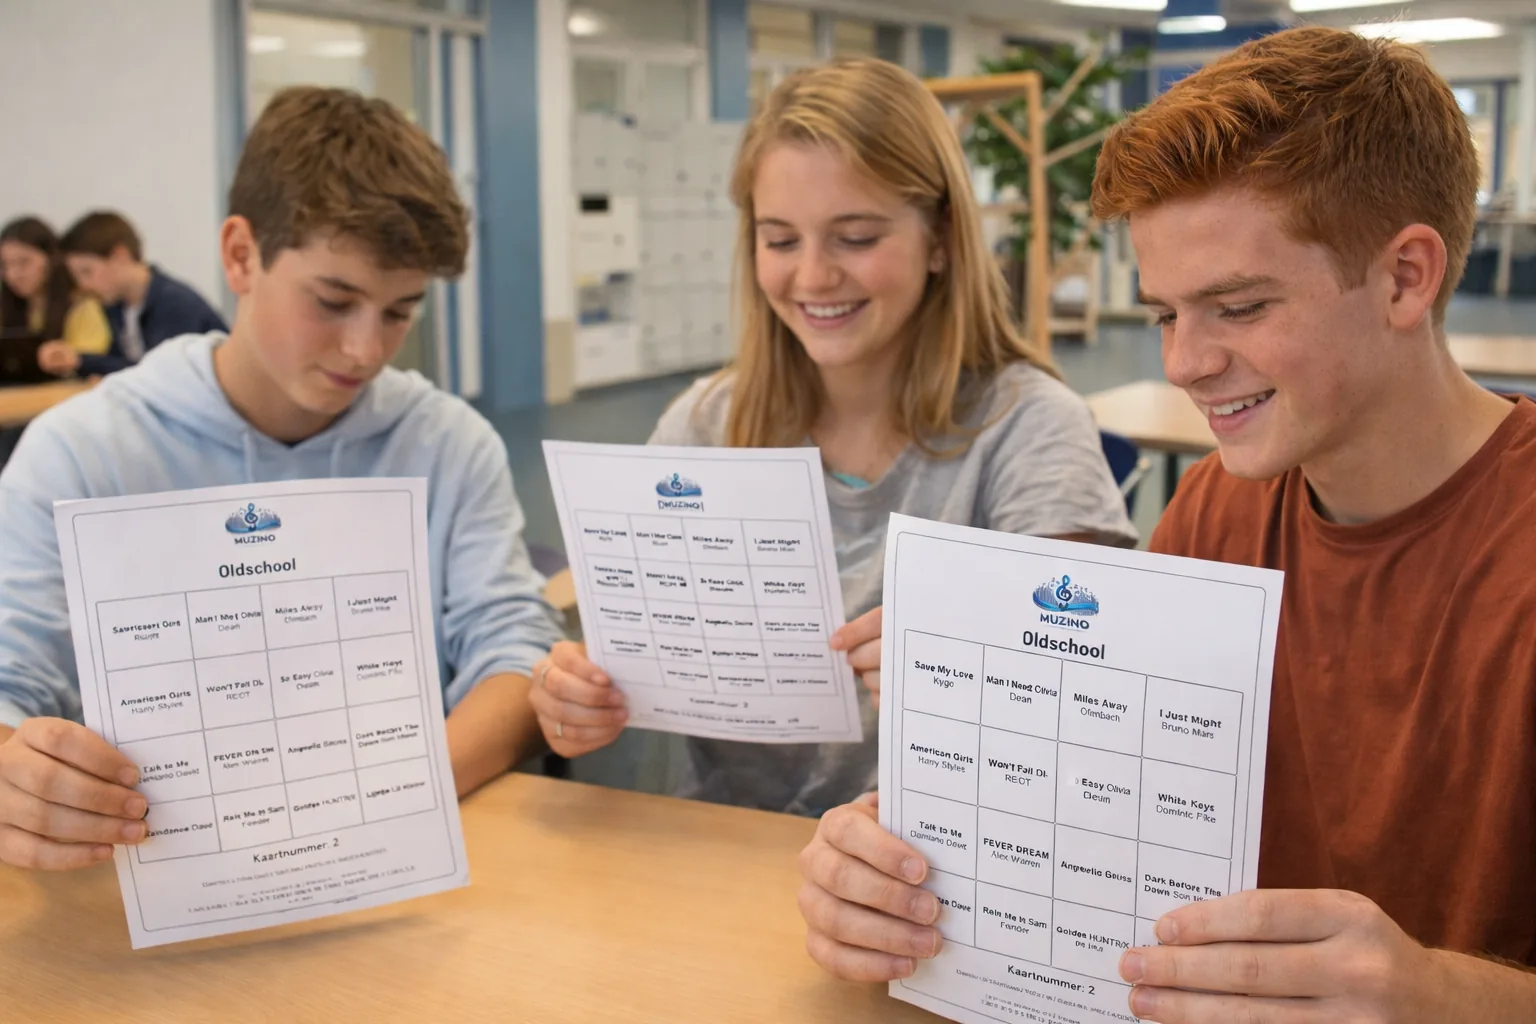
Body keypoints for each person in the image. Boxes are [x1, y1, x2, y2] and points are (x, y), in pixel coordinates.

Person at [792, 25, 1536, 1021]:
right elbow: (1096, 815)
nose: (1184, 363)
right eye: (1164, 314)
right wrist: (887, 872)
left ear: (1405, 276)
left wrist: (1439, 996)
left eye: (1239, 306)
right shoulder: (1215, 511)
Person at [526, 59, 1136, 818]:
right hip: (724, 845)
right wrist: (576, 694)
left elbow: (1089, 709)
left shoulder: (1029, 429)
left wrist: (972, 678)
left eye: (855, 237)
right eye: (780, 240)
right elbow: (625, 655)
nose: (813, 277)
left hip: (928, 859)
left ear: (941, 239)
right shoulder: (705, 426)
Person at [0, 86, 564, 872]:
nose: (366, 350)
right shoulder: (82, 451)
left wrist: (377, 797)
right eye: (333, 301)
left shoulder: (448, 443)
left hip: (389, 862)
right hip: (151, 867)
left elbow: (512, 649)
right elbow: (13, 671)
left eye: (399, 312)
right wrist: (21, 779)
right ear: (241, 255)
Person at [36, 210, 227, 378]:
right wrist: (76, 361)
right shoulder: (117, 307)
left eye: (87, 271)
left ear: (120, 256)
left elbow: (160, 376)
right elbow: (121, 365)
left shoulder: (175, 303)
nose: (83, 285)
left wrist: (82, 361)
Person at [0, 217, 111, 356]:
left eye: (24, 262)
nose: (13, 274)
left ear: (50, 258)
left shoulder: (81, 306)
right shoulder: (5, 309)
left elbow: (89, 360)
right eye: (4, 265)